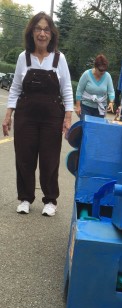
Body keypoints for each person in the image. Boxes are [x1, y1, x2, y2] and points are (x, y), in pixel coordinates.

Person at [2, 11, 74, 217]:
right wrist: (8, 115)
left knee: (49, 159)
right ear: (31, 32)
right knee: (24, 158)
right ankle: (25, 198)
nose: (42, 33)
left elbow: (67, 89)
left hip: (52, 117)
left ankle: (50, 200)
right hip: (26, 116)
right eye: (38, 29)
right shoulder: (22, 58)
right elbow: (15, 88)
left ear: (51, 34)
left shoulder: (59, 59)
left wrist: (67, 117)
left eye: (46, 29)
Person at [75, 54, 115, 120]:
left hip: (100, 108)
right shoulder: (86, 74)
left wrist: (111, 102)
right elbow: (79, 91)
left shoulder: (107, 76)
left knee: (96, 129)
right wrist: (78, 106)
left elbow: (111, 92)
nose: (102, 73)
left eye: (104, 71)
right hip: (86, 107)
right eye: (100, 71)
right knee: (86, 127)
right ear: (95, 67)